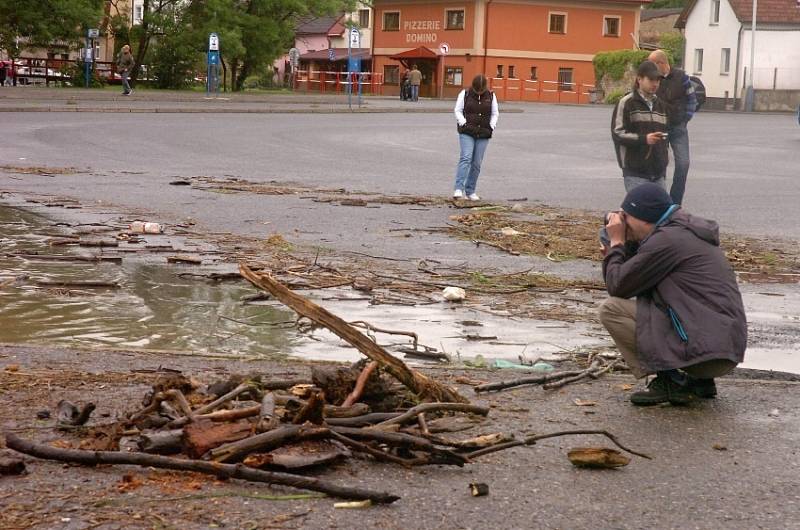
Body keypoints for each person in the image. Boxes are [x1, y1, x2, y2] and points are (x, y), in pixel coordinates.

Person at [598, 183, 747, 406]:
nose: (623, 222)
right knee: (660, 303)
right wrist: (622, 250)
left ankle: (671, 381)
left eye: (626, 217)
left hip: (706, 354)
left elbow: (619, 286)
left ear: (645, 218)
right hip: (720, 349)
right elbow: (637, 278)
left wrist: (617, 244)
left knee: (611, 310)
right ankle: (700, 382)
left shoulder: (666, 241)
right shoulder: (683, 232)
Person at [611, 61, 669, 193]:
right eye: (651, 79)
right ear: (639, 79)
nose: (655, 84)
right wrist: (644, 139)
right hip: (635, 171)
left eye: (658, 80)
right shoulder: (627, 103)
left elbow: (665, 138)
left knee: (660, 212)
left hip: (658, 172)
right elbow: (617, 133)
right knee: (640, 212)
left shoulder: (661, 105)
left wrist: (664, 162)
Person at [648, 49, 698, 205]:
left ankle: (675, 203)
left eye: (652, 64)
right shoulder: (652, 79)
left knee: (684, 163)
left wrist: (686, 118)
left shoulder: (681, 77)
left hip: (678, 127)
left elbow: (692, 99)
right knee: (659, 164)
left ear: (661, 63)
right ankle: (659, 201)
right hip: (659, 128)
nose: (650, 68)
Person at [452, 74, 499, 201]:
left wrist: (491, 126)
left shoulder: (491, 96)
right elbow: (458, 110)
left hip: (484, 132)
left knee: (477, 163)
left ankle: (470, 191)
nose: (479, 92)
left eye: (481, 90)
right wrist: (463, 123)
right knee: (466, 158)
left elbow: (495, 113)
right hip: (467, 131)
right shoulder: (465, 94)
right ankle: (458, 188)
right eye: (477, 90)